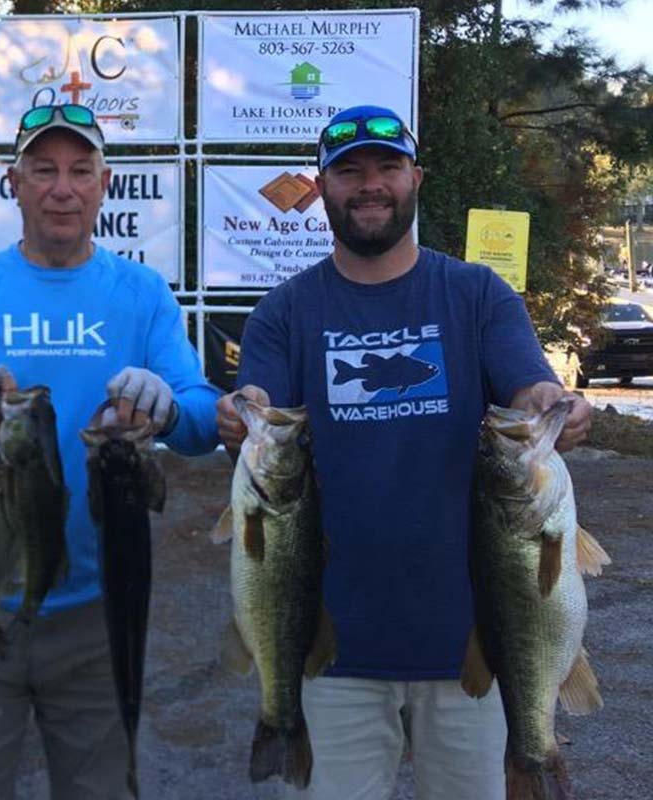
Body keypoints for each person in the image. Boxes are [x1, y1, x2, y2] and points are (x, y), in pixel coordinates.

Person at [216, 105, 591, 800]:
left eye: (387, 167)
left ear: (415, 179)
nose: (370, 185)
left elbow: (528, 382)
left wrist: (552, 404)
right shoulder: (283, 312)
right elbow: (259, 399)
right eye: (349, 171)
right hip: (330, 653)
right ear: (320, 187)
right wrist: (245, 414)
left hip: (474, 645)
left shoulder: (476, 294)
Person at [0, 103, 219, 800]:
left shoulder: (142, 293)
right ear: (14, 183)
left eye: (80, 170)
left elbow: (199, 422)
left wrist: (165, 402)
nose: (62, 188)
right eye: (43, 170)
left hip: (98, 610)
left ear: (106, 184)